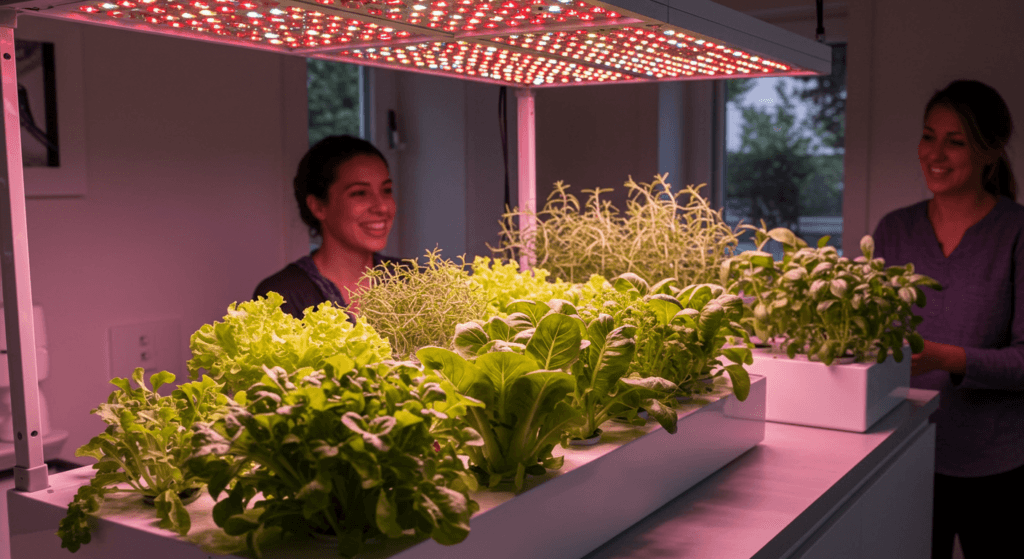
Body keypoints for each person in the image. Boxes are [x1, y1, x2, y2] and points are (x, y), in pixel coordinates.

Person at [872, 80, 1024, 559]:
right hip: (902, 453)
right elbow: (874, 339)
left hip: (998, 468)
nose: (935, 153)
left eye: (955, 141)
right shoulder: (894, 230)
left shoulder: (1017, 233)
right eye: (928, 136)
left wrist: (943, 358)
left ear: (990, 152)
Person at [254, 135, 398, 318]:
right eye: (360, 193)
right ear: (318, 206)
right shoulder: (281, 295)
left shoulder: (415, 282)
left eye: (387, 190)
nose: (382, 207)